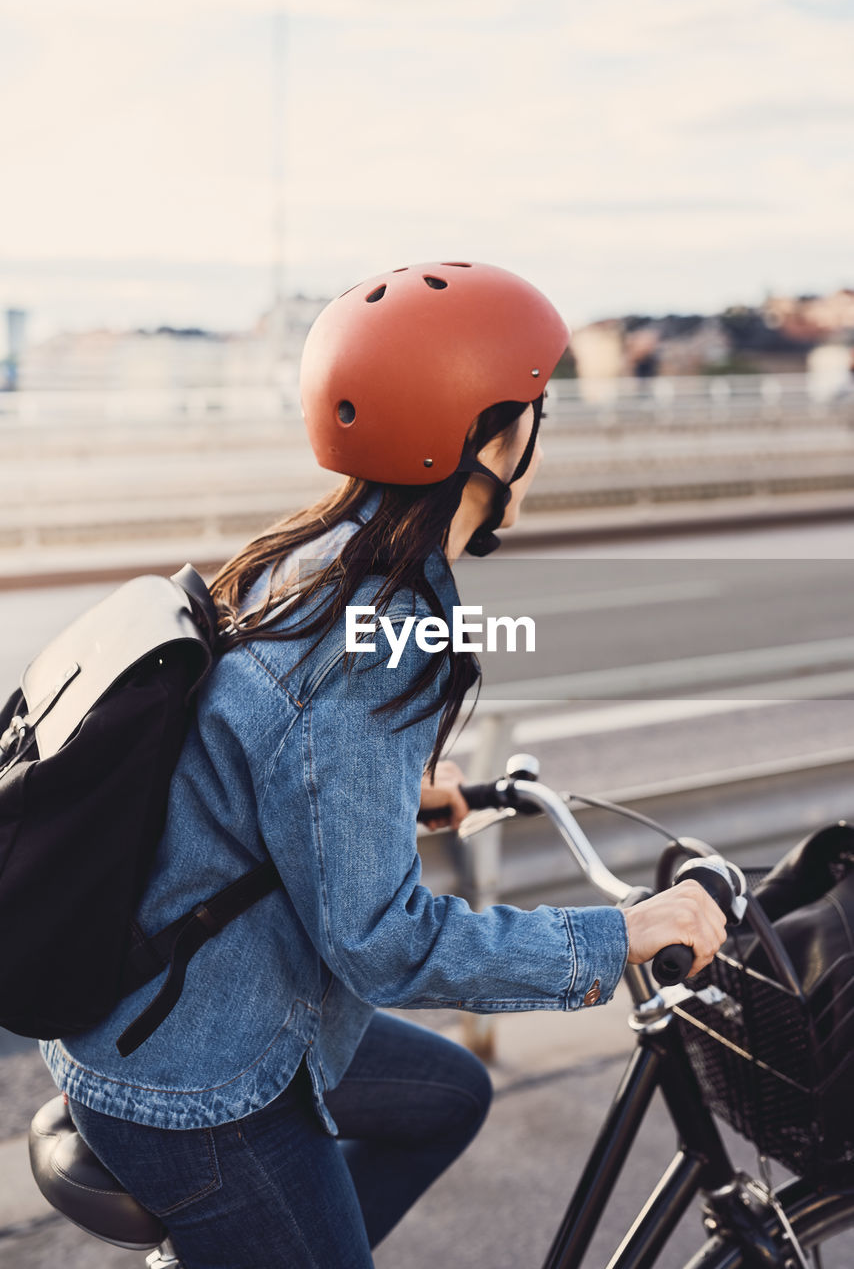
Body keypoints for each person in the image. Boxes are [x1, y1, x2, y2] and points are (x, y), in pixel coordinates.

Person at [40, 261, 727, 1268]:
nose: (537, 447)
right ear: (485, 441)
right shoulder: (372, 641)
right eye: (532, 417)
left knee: (449, 1094)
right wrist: (617, 932)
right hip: (195, 1079)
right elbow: (380, 942)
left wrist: (384, 797)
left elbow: (251, 755)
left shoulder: (316, 553)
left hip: (184, 1009)